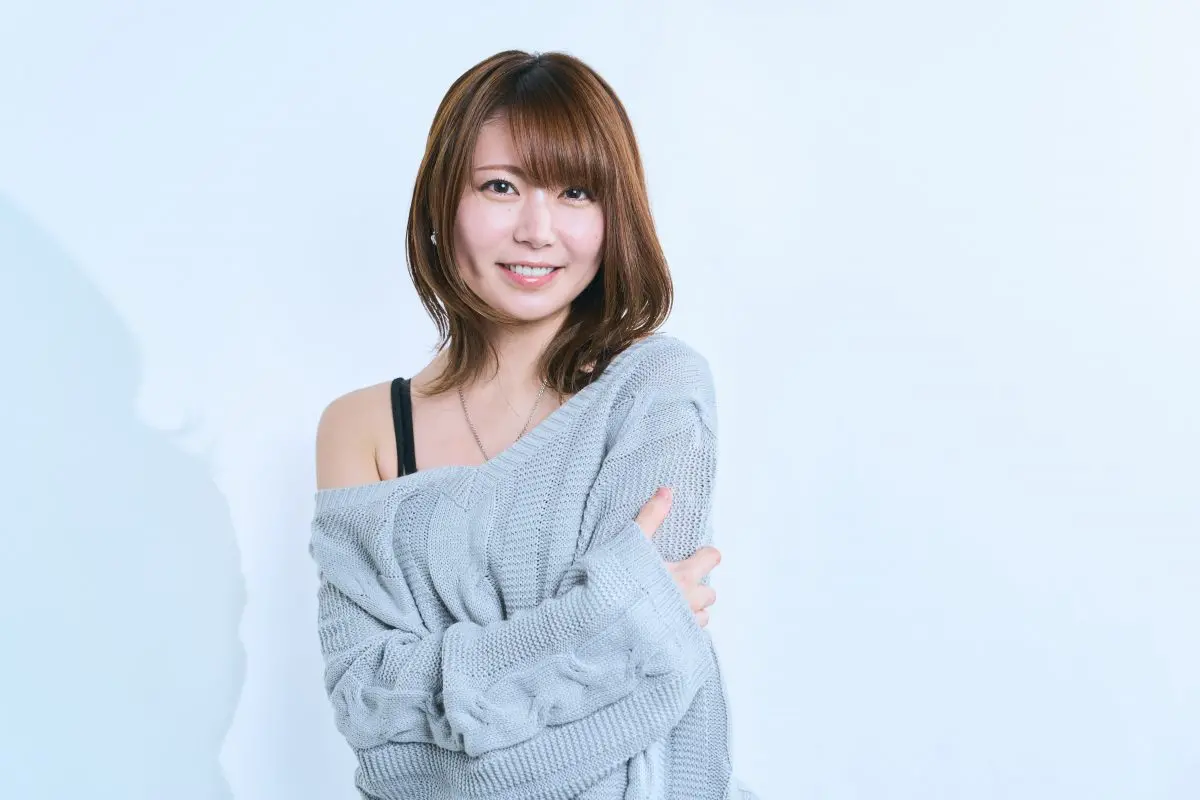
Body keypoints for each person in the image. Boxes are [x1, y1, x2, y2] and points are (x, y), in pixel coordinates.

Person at [310, 49, 758, 799]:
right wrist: (616, 622)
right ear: (443, 203)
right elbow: (377, 729)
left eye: (576, 192)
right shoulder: (363, 429)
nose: (536, 230)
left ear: (614, 216)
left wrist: (452, 705)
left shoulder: (654, 390)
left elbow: (653, 701)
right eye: (500, 186)